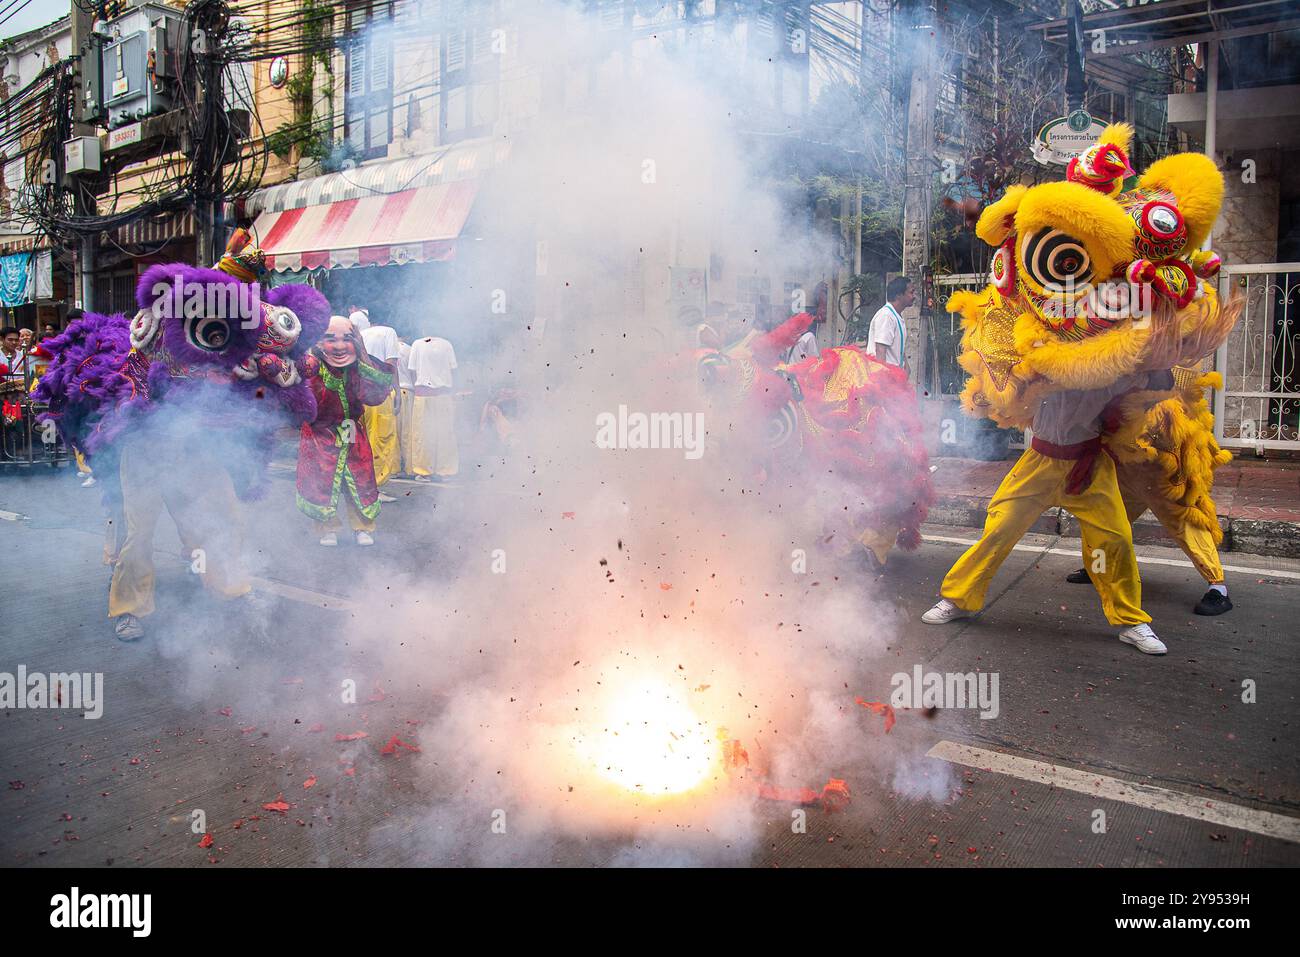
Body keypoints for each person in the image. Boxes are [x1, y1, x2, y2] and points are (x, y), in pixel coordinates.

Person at [922, 376, 1168, 654]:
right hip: (1039, 462)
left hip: (1089, 467)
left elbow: (1159, 382)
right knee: (999, 529)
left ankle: (1130, 619)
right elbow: (1002, 386)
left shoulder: (1111, 366)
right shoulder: (1041, 360)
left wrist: (1154, 362)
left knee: (1115, 540)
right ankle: (958, 598)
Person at [297, 316, 395, 545]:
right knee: (321, 480)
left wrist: (360, 354)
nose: (339, 345)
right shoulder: (311, 364)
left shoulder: (357, 365)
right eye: (330, 339)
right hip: (320, 432)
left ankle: (363, 528)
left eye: (347, 339)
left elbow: (377, 392)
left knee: (360, 480)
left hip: (352, 430)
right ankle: (327, 528)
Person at [406, 333, 459, 481]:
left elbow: (412, 370)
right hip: (444, 395)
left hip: (423, 395)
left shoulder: (417, 343)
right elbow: (454, 369)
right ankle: (446, 471)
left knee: (422, 435)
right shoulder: (447, 344)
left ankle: (423, 471)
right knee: (445, 433)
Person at [359, 321, 402, 502]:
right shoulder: (389, 331)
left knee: (364, 440)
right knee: (381, 440)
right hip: (379, 394)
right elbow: (390, 365)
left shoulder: (362, 333)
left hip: (361, 394)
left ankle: (362, 487)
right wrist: (397, 391)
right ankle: (373, 490)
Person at [867, 276, 913, 368]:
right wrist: (884, 380)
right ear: (898, 295)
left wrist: (906, 366)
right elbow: (880, 350)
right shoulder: (886, 316)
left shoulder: (896, 315)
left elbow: (898, 348)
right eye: (911, 292)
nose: (914, 296)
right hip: (884, 376)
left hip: (895, 375)